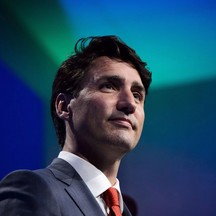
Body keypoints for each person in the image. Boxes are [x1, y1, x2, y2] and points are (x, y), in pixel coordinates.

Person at [0, 35, 152, 216]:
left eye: (137, 95)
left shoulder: (126, 210)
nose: (130, 103)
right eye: (109, 86)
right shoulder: (33, 189)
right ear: (64, 106)